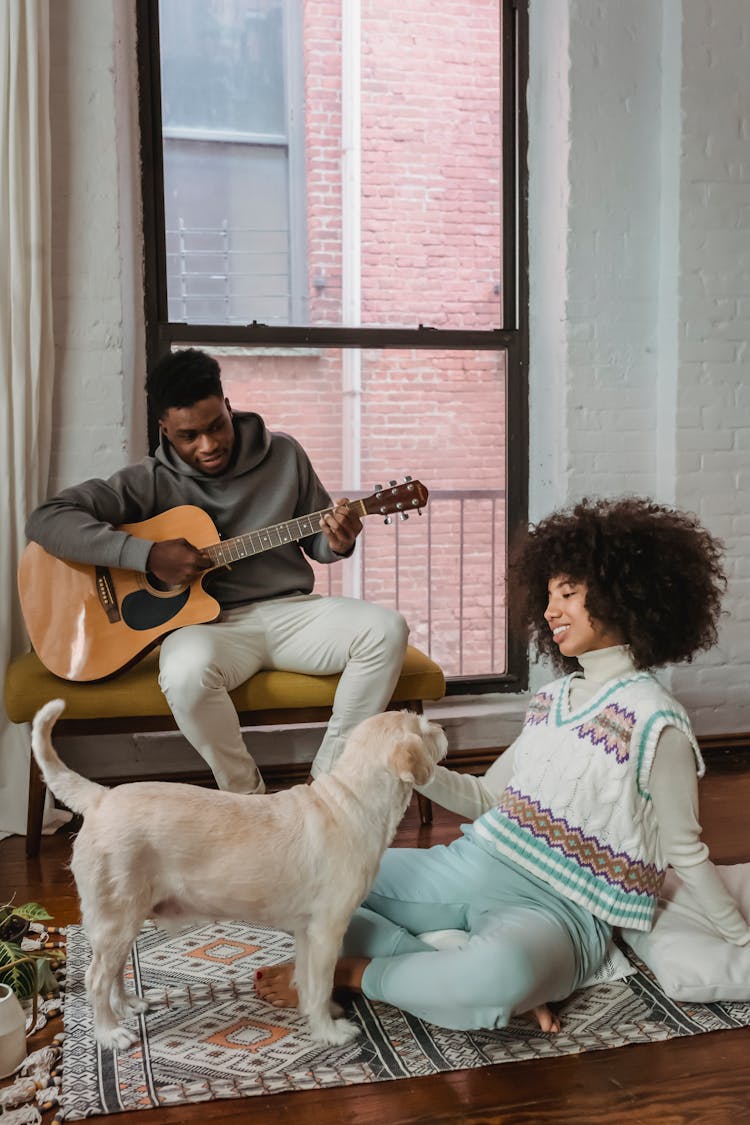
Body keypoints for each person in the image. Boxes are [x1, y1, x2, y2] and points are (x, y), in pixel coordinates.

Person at [255, 496, 750, 1032]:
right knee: (304, 874)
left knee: (498, 974)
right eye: (548, 595)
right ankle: (441, 973)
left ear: (623, 597)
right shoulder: (553, 700)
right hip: (474, 861)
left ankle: (358, 973)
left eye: (568, 594)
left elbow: (686, 850)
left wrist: (740, 937)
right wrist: (422, 773)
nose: (549, 611)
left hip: (562, 910)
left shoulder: (658, 722)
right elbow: (489, 799)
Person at [26, 348, 409, 794]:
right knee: (185, 673)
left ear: (228, 407)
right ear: (165, 429)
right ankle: (246, 798)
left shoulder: (284, 454)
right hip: (210, 627)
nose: (207, 445)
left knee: (386, 630)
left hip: (292, 613)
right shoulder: (149, 481)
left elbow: (318, 542)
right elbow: (47, 519)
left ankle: (329, 784)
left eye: (215, 427)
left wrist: (338, 540)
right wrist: (145, 557)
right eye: (189, 436)